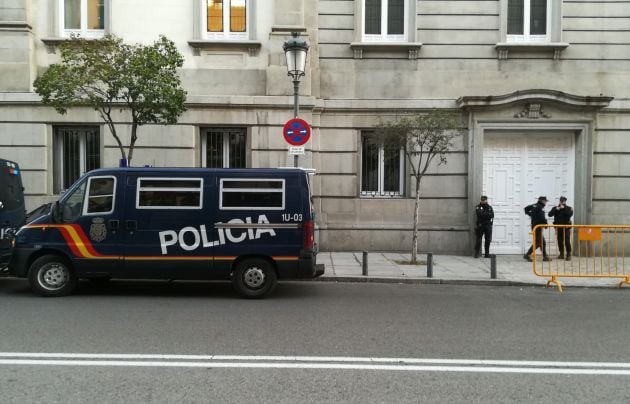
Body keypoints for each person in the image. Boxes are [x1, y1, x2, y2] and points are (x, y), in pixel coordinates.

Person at [524, 196, 551, 262]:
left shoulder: (534, 205)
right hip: (538, 226)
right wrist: (545, 224)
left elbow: (526, 209)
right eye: (545, 201)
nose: (546, 203)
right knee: (538, 242)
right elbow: (542, 217)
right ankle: (527, 254)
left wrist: (530, 214)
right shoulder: (540, 207)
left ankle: (545, 256)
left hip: (534, 225)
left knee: (542, 242)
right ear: (542, 201)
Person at [548, 196, 574, 260]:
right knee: (559, 241)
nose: (562, 202)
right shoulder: (556, 208)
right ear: (559, 201)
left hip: (566, 227)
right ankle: (561, 254)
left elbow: (569, 215)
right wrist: (556, 209)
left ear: (565, 201)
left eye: (563, 201)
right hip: (558, 227)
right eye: (561, 201)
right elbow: (549, 214)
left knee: (567, 241)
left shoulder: (569, 208)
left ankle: (568, 254)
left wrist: (564, 209)